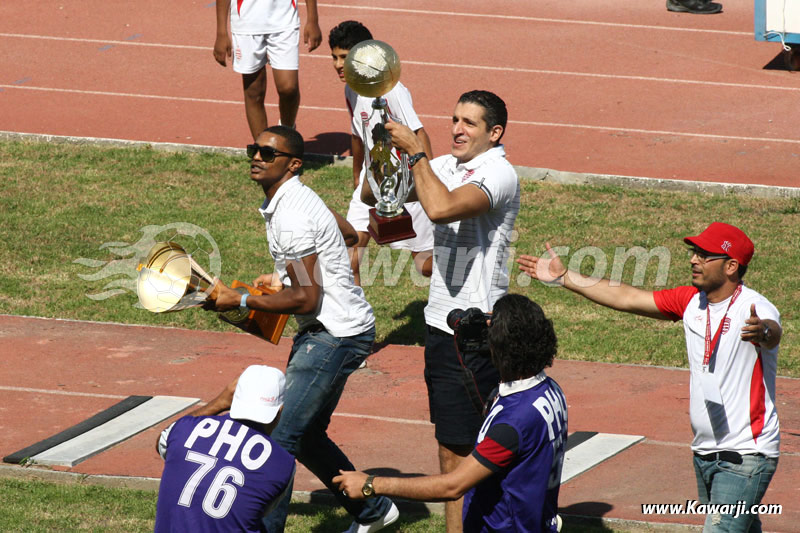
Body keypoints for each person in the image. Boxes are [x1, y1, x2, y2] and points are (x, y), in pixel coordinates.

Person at [518, 222, 781, 532]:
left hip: (744, 454)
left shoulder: (755, 308)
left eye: (704, 255)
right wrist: (565, 278)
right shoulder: (690, 302)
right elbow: (628, 298)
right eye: (693, 252)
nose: (693, 260)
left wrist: (762, 331)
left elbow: (772, 333)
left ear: (731, 266)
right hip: (706, 450)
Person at [206, 125, 399, 532]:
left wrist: (238, 300)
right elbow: (346, 234)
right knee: (306, 435)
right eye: (253, 149)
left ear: (293, 164)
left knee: (275, 442)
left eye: (267, 152)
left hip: (334, 335)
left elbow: (306, 300)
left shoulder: (291, 214)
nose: (256, 157)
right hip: (338, 328)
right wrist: (285, 276)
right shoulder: (297, 198)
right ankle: (374, 512)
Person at [363, 90, 520, 532]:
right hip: (441, 326)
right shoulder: (448, 166)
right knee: (452, 445)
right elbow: (373, 191)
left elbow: (441, 207)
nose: (456, 129)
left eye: (469, 123)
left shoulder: (499, 173)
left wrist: (416, 154)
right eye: (454, 119)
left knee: (466, 451)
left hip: (474, 330)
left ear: (495, 133)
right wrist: (380, 149)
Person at [334, 294, 567, 533]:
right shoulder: (550, 390)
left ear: (500, 347)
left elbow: (452, 486)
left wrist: (371, 484)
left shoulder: (512, 424)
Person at [329, 20, 434, 285]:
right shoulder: (350, 88)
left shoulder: (391, 89)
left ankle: (473, 265)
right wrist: (358, 175)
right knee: (351, 255)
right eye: (334, 57)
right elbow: (357, 133)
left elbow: (419, 133)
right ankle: (353, 322)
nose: (338, 65)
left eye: (344, 57)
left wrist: (427, 179)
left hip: (406, 180)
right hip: (372, 178)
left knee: (424, 265)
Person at [154, 365, 295, 532]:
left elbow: (162, 441)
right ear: (280, 411)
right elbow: (260, 512)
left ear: (233, 398)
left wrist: (218, 403)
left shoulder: (183, 429)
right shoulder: (283, 464)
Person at [213, 0, 321, 139]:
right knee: (254, 92)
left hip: (284, 19)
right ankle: (263, 150)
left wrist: (313, 20)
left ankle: (285, 138)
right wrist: (221, 32)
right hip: (246, 22)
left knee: (288, 88)